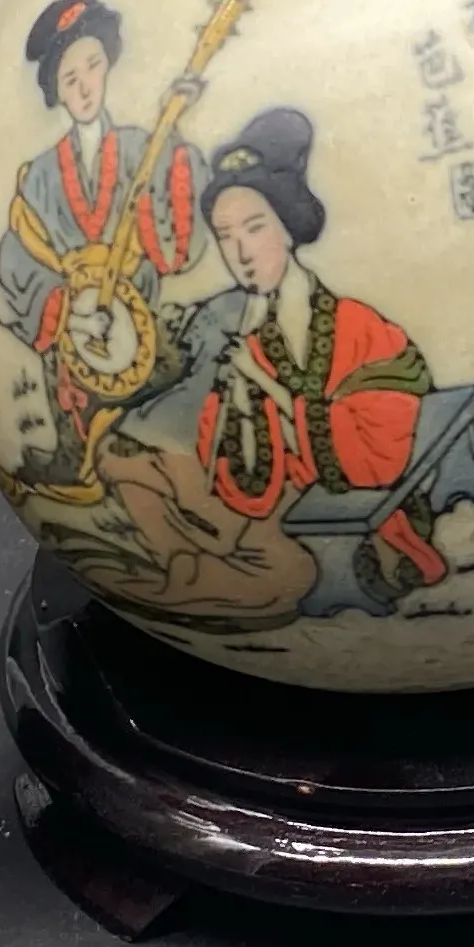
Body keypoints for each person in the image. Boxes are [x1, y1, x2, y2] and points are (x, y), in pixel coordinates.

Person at [101, 109, 449, 624]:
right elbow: (228, 455)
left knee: (286, 579)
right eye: (225, 235)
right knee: (121, 459)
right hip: (265, 494)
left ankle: (194, 573)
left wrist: (267, 384)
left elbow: (374, 463)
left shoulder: (360, 329)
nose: (241, 252)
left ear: (287, 228)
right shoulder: (241, 321)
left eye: (255, 227)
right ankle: (184, 563)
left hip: (331, 493)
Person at [0, 0, 202, 493]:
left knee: (178, 364)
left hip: (137, 313)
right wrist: (65, 306)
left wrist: (172, 139)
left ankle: (136, 444)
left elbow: (173, 240)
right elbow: (20, 256)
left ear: (108, 66)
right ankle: (78, 459)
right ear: (58, 93)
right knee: (71, 379)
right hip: (74, 327)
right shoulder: (39, 175)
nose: (85, 87)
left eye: (93, 66)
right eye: (70, 78)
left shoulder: (141, 149)